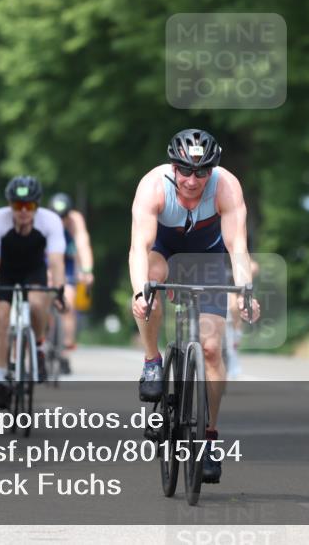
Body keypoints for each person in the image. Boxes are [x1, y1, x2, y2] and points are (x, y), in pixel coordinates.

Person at [129, 128, 259, 484]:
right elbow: (139, 247)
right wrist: (141, 293)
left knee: (212, 348)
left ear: (212, 170)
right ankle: (153, 361)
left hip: (209, 258)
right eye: (184, 170)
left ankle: (209, 436)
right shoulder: (153, 186)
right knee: (151, 287)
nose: (191, 180)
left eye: (201, 172)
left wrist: (246, 291)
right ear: (173, 167)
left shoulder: (226, 187)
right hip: (164, 252)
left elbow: (237, 247)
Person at [0, 176, 67, 409]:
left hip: (33, 270)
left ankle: (38, 346)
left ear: (37, 206)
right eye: (17, 206)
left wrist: (59, 292)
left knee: (39, 304)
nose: (22, 211)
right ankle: (0, 382)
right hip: (5, 271)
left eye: (28, 206)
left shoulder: (50, 221)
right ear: (10, 205)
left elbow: (56, 262)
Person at [49, 192, 95, 374]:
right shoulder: (44, 220)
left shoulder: (75, 220)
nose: (61, 221)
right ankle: (41, 342)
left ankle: (66, 350)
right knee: (42, 296)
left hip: (67, 263)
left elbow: (83, 244)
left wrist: (87, 270)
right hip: (47, 260)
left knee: (68, 300)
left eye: (64, 217)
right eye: (57, 217)